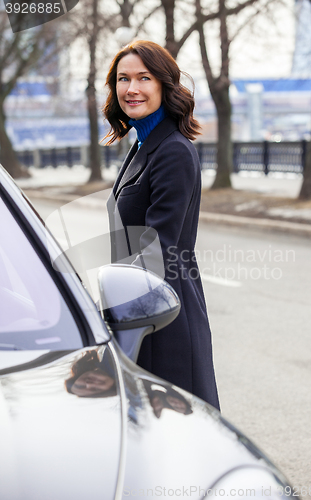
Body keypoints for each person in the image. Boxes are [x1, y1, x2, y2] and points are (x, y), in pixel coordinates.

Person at [103, 40, 220, 411]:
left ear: (164, 85)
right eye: (123, 79)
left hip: (164, 313)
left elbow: (157, 248)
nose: (131, 88)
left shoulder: (173, 150)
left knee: (176, 434)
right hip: (139, 306)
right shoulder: (143, 145)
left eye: (144, 78)